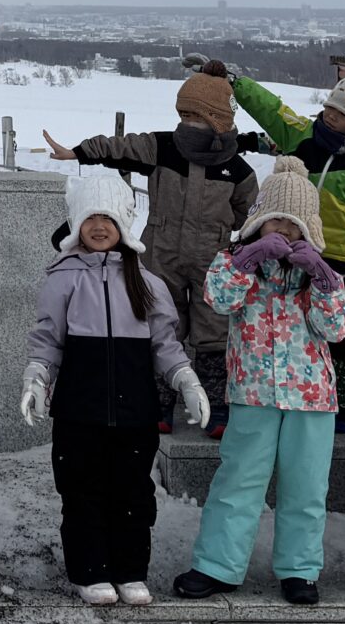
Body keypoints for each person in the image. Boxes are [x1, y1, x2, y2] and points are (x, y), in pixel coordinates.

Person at [42, 58, 260, 434]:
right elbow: (119, 147)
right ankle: (158, 405)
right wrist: (79, 152)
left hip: (213, 261)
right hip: (161, 254)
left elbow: (249, 214)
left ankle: (217, 410)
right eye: (184, 113)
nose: (188, 123)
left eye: (197, 115)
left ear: (218, 119)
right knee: (161, 327)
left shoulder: (236, 168)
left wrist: (236, 245)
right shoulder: (162, 147)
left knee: (214, 333)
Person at [22, 167, 209, 606]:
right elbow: (48, 339)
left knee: (132, 491)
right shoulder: (63, 277)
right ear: (76, 223)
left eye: (108, 218)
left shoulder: (148, 283)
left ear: (125, 222)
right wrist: (36, 379)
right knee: (81, 489)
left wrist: (186, 380)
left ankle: (129, 570)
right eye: (90, 218)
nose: (100, 226)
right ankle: (90, 572)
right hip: (79, 410)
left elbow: (165, 344)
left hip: (134, 411)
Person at [174, 159, 345, 605]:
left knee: (307, 487)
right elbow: (218, 298)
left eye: (294, 225)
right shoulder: (236, 264)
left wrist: (323, 277)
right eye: (276, 220)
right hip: (253, 393)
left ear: (309, 229)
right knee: (239, 480)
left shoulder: (320, 275)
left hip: (312, 399)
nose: (284, 232)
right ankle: (217, 565)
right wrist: (248, 257)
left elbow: (337, 329)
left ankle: (299, 569)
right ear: (258, 220)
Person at [233, 71, 345, 425]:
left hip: (342, 258)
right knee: (298, 322)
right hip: (295, 247)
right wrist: (236, 82)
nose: (330, 117)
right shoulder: (303, 135)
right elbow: (271, 109)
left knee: (341, 330)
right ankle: (291, 387)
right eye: (330, 109)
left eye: (341, 115)